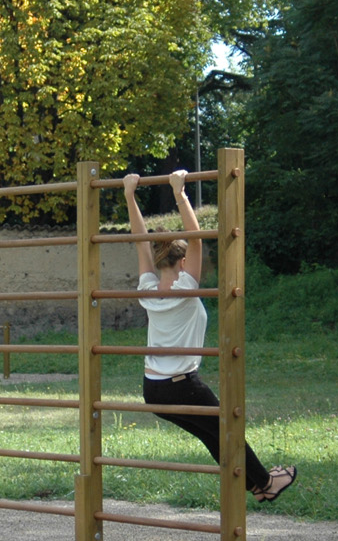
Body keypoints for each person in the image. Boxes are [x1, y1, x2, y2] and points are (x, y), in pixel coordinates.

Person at [123, 169, 296, 502]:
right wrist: (180, 192)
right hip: (180, 385)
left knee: (215, 436)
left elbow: (140, 241)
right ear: (184, 261)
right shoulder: (187, 288)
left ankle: (259, 485)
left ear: (159, 261)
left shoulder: (147, 289)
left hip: (152, 389)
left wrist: (130, 195)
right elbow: (197, 235)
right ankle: (266, 484)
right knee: (226, 431)